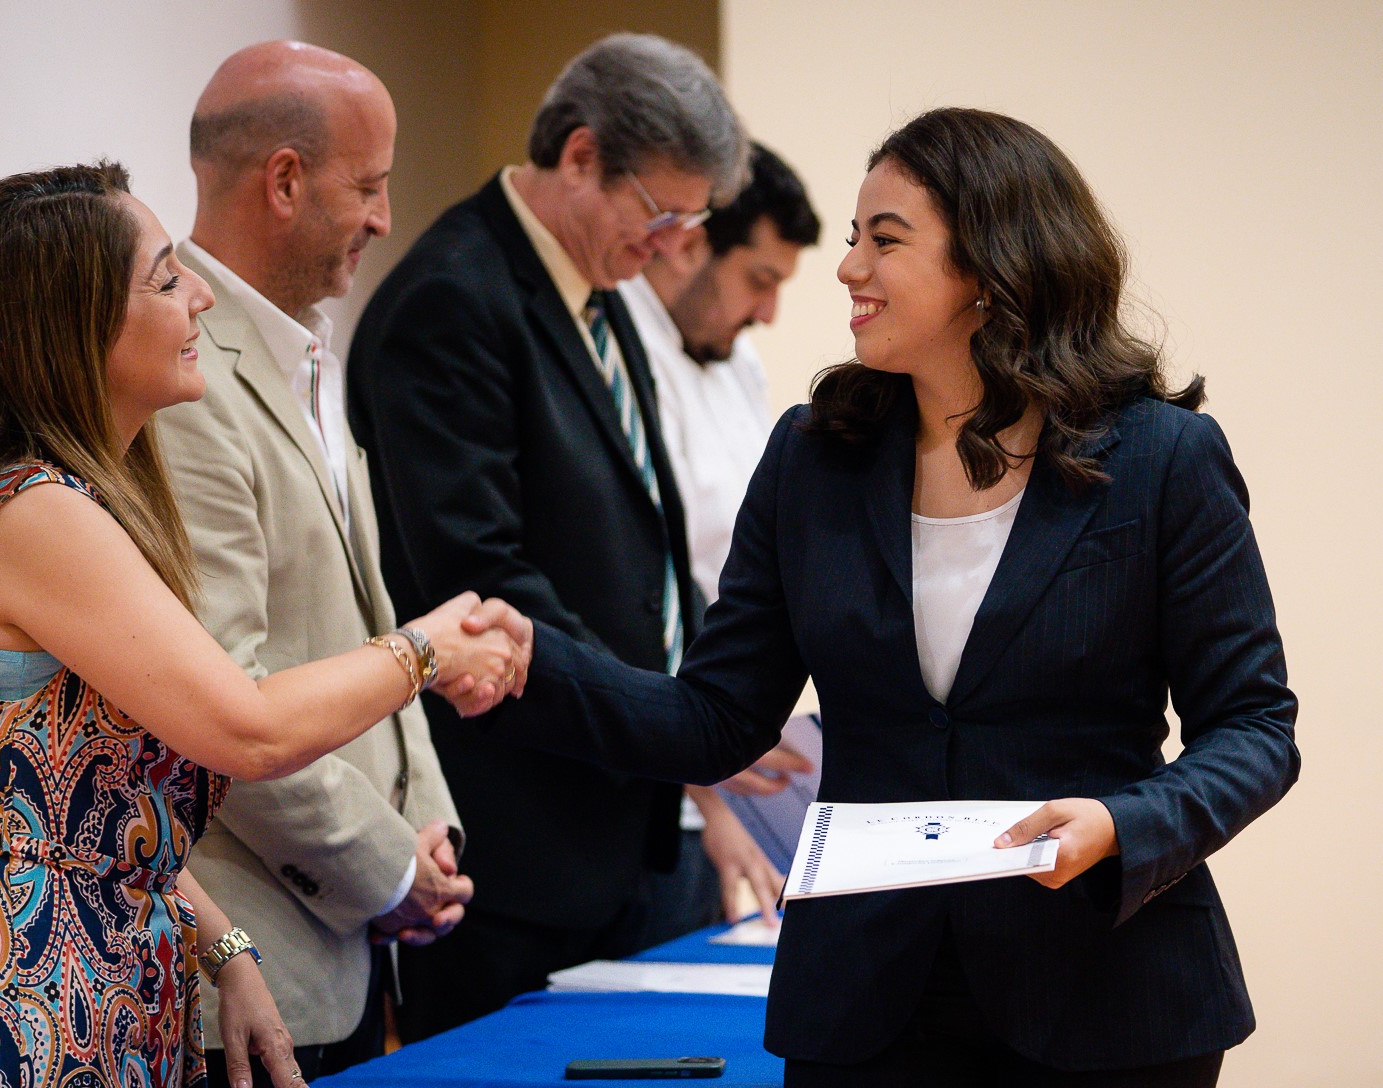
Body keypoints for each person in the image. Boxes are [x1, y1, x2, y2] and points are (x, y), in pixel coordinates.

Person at [479, 108, 1299, 1085]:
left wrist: (1127, 823)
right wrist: (533, 658)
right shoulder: (811, 458)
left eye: (884, 239)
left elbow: (1252, 724)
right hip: (865, 1002)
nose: (846, 268)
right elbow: (715, 715)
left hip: (1106, 995)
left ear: (989, 268)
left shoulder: (1162, 459)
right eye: (851, 238)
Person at [0, 161, 527, 1088]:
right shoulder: (37, 515)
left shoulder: (43, 500)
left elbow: (88, 814)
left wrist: (226, 949)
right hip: (11, 1027)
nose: (199, 294)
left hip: (82, 1000)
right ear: (71, 328)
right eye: (165, 278)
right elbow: (251, 727)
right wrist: (426, 648)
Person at [346, 33, 746, 1038]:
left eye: (688, 221)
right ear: (578, 156)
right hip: (513, 849)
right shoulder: (453, 296)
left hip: (623, 832)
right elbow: (482, 580)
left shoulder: (597, 294)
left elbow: (647, 547)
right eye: (658, 211)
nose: (669, 242)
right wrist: (668, 720)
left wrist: (716, 695)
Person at [155, 42, 471, 1086]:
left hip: (340, 945)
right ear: (284, 181)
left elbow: (369, 623)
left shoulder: (299, 348)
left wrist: (423, 822)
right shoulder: (180, 377)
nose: (384, 218)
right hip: (247, 965)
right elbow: (221, 695)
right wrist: (383, 867)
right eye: (369, 187)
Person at [619, 140, 822, 945]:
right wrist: (704, 784)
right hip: (651, 772)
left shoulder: (737, 367)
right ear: (693, 243)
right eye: (759, 280)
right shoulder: (622, 361)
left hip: (721, 773)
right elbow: (635, 596)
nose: (767, 312)